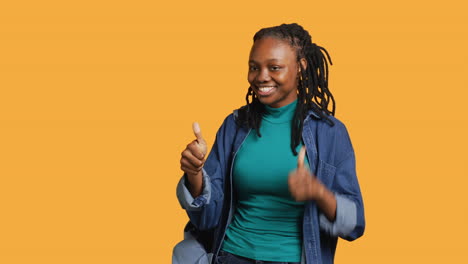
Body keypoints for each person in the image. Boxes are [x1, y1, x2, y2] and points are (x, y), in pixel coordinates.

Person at [173, 23, 365, 264]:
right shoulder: (235, 126)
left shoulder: (330, 133)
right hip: (231, 256)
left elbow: (355, 225)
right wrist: (195, 174)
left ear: (301, 67)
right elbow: (207, 219)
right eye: (254, 67)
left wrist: (319, 193)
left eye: (274, 67)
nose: (261, 77)